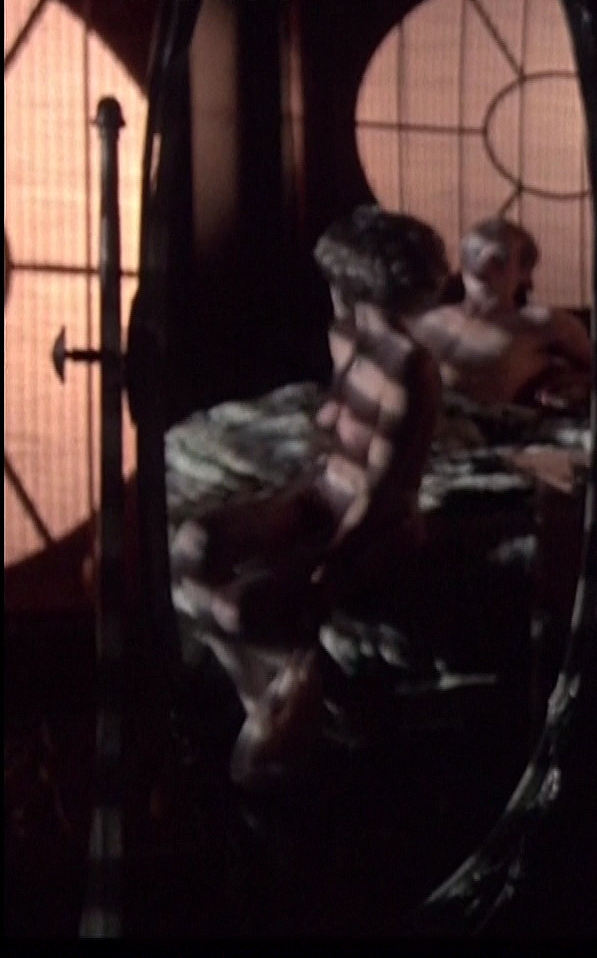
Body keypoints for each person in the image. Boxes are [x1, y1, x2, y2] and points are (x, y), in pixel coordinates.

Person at [170, 206, 449, 792]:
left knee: (237, 609)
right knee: (191, 546)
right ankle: (263, 700)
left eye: (336, 282)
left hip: (378, 521)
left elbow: (382, 490)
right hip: (322, 491)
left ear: (358, 284)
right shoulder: (346, 336)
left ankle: (294, 692)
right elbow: (332, 423)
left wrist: (329, 568)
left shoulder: (411, 367)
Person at [407, 217, 592, 412]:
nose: (483, 262)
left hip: (481, 423)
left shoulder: (541, 322)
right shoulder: (427, 319)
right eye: (473, 253)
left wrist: (572, 384)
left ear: (524, 273)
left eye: (499, 259)